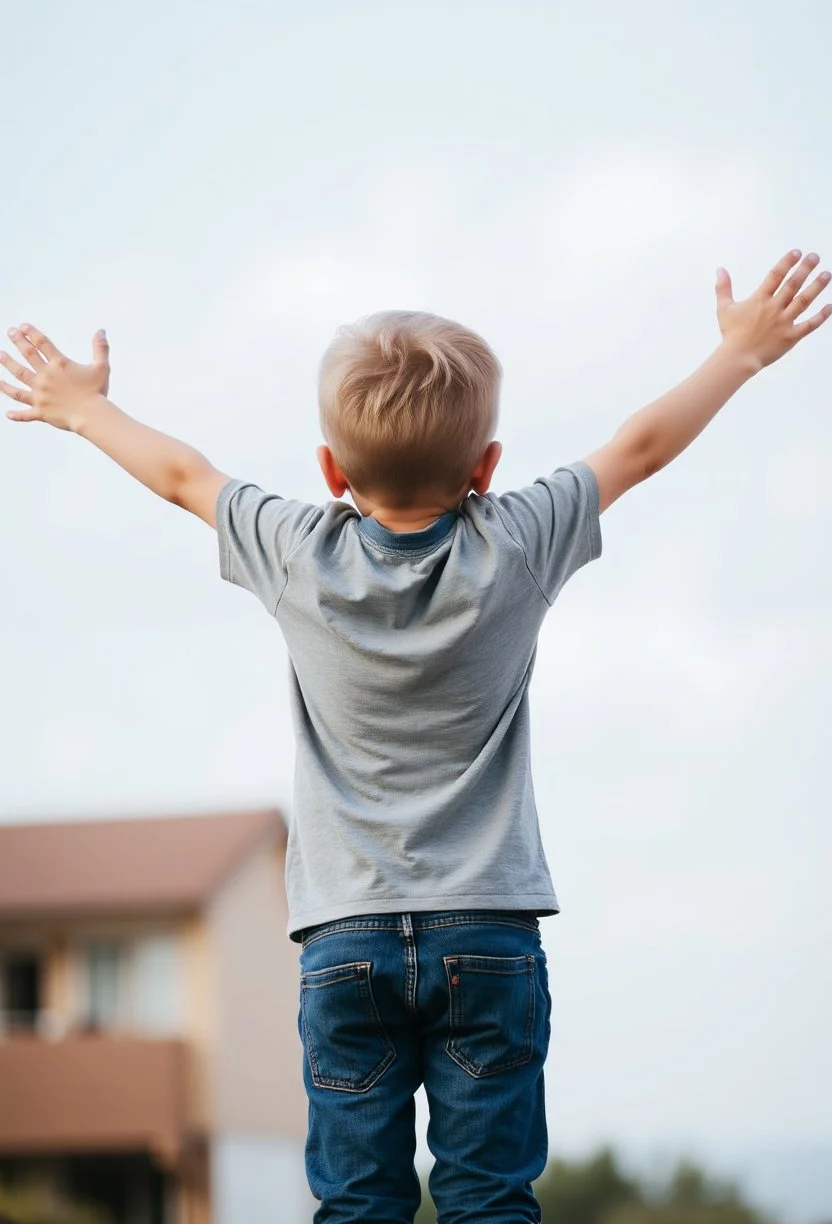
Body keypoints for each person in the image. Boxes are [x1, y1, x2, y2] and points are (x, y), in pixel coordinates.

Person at [2, 249, 828, 1224]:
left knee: (358, 1203)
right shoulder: (515, 542)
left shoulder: (296, 552)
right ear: (486, 466)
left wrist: (81, 406)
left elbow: (184, 476)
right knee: (488, 1197)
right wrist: (740, 355)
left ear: (328, 471)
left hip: (344, 937)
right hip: (488, 930)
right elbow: (639, 447)